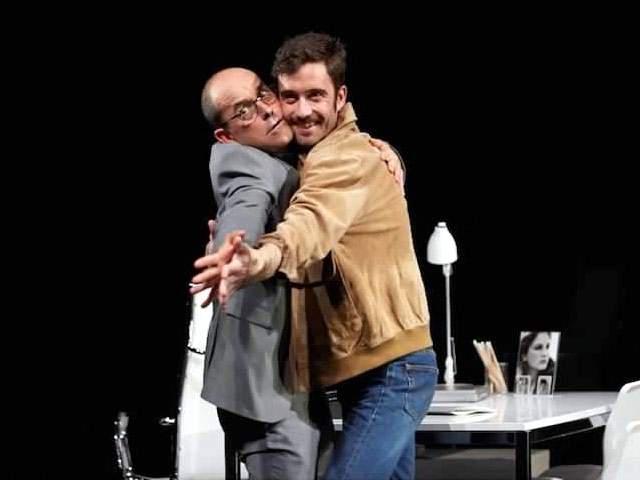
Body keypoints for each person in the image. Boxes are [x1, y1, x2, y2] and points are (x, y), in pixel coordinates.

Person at [193, 32, 437, 480]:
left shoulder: (341, 157)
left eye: (315, 96)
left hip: (392, 368)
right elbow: (246, 206)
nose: (299, 110)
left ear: (340, 97)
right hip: (360, 371)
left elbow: (308, 227)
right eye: (289, 96)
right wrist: (230, 247)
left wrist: (253, 259)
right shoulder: (300, 156)